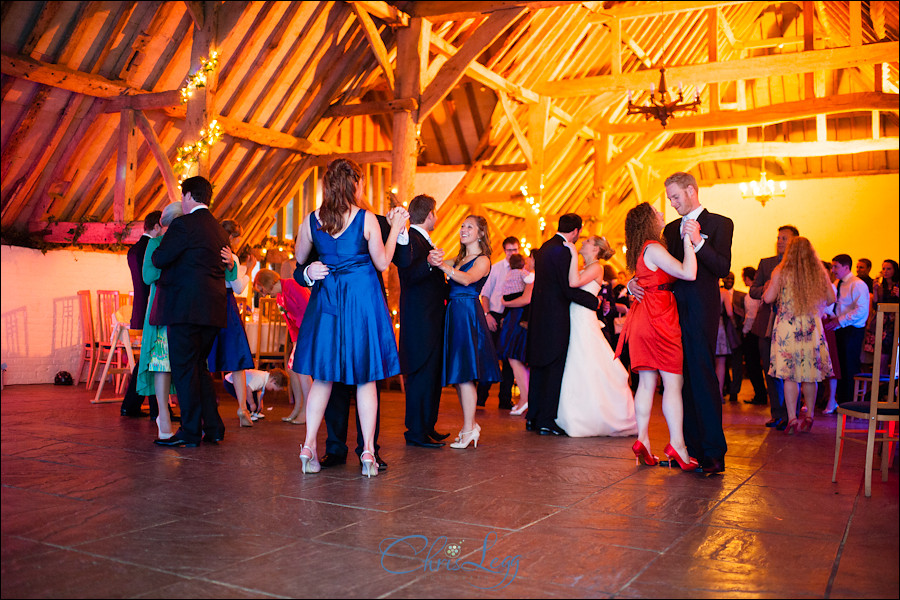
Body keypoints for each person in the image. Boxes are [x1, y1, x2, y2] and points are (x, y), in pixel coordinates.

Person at [292, 158, 407, 477]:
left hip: (328, 298)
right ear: (354, 184)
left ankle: (308, 445)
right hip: (361, 299)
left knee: (324, 378)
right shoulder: (366, 218)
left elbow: (300, 260)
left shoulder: (312, 220)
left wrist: (309, 270)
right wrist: (395, 227)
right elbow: (382, 263)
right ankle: (368, 451)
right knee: (366, 378)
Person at [630, 173, 733, 474]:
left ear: (691, 190)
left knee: (702, 376)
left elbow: (722, 267)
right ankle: (686, 447)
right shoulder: (671, 229)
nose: (673, 203)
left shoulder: (720, 223)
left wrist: (699, 241)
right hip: (667, 313)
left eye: (676, 196)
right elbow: (658, 266)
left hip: (701, 310)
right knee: (677, 380)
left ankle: (714, 451)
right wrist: (634, 280)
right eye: (670, 199)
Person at [150, 176, 230, 447]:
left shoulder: (183, 225)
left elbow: (160, 258)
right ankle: (214, 427)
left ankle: (190, 431)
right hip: (213, 310)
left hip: (185, 310)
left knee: (184, 370)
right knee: (199, 367)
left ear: (187, 197)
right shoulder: (220, 230)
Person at [617, 202, 698, 469]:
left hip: (642, 317)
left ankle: (643, 441)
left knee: (646, 383)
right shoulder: (654, 247)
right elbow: (688, 273)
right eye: (656, 211)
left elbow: (640, 278)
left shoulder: (642, 250)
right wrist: (689, 240)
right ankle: (678, 445)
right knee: (673, 383)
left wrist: (631, 283)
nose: (662, 213)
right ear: (648, 220)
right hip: (659, 316)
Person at [429, 215, 500, 449]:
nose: (463, 229)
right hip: (454, 313)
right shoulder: (459, 258)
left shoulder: (483, 260)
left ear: (480, 233)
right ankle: (469, 427)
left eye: (469, 226)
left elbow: (468, 280)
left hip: (468, 313)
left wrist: (442, 265)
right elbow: (437, 265)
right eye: (462, 225)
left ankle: (470, 428)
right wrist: (433, 258)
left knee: (466, 372)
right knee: (459, 375)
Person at [526, 214, 600, 436]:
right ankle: (547, 420)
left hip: (539, 315)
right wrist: (593, 301)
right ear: (576, 231)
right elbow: (567, 288)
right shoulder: (565, 250)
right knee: (554, 368)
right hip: (556, 318)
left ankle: (533, 417)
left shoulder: (545, 247)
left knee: (539, 367)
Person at [557, 235, 637, 438]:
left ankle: (591, 416)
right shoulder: (588, 267)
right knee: (577, 362)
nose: (583, 242)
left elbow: (573, 282)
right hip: (576, 316)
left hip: (584, 319)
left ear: (596, 249)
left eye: (588, 242)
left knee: (586, 361)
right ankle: (576, 413)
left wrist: (573, 253)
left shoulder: (597, 267)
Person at [763, 237, 835, 434]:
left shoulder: (781, 271)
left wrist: (770, 288)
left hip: (788, 327)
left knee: (789, 376)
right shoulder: (819, 272)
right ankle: (810, 415)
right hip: (811, 327)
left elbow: (769, 297)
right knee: (809, 375)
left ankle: (793, 418)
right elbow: (831, 298)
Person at [397, 195, 449, 448]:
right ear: (429, 214)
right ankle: (416, 432)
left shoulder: (424, 242)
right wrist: (429, 265)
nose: (436, 218)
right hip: (419, 322)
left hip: (430, 320)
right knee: (420, 376)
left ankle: (427, 426)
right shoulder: (410, 241)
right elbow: (407, 276)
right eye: (435, 213)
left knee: (430, 376)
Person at [136, 203, 181, 440]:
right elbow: (148, 276)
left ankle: (186, 415)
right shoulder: (155, 244)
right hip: (163, 307)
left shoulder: (189, 244)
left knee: (184, 362)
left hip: (185, 309)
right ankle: (163, 414)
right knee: (162, 361)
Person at [208, 219, 257, 427]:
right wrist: (249, 268)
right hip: (227, 305)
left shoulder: (210, 253)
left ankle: (209, 403)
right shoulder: (232, 257)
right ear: (232, 237)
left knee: (209, 358)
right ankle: (242, 407)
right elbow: (237, 287)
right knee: (237, 360)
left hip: (209, 305)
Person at [749, 225, 799, 429]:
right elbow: (753, 291)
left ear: (794, 241)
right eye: (778, 237)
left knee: (791, 371)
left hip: (792, 325)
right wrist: (769, 286)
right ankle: (777, 413)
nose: (779, 241)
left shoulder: (799, 265)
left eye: (784, 238)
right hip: (768, 324)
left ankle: (792, 414)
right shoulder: (766, 263)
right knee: (769, 369)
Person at [252, 269, 312, 425]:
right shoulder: (280, 298)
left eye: (262, 289)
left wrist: (302, 340)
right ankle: (298, 407)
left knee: (302, 370)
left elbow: (308, 311)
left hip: (311, 331)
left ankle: (308, 410)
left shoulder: (292, 285)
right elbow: (290, 323)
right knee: (291, 369)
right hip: (300, 336)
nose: (263, 294)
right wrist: (294, 342)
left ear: (267, 283)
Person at [120, 211, 162, 419]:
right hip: (151, 307)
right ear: (156, 227)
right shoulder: (152, 248)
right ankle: (157, 410)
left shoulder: (135, 249)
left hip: (140, 307)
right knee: (154, 358)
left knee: (149, 358)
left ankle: (131, 405)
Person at [476, 236, 521, 410]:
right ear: (504, 251)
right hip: (494, 314)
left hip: (512, 317)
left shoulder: (522, 269)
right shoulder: (495, 268)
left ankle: (505, 398)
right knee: (490, 357)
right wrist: (487, 315)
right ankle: (481, 397)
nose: (512, 253)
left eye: (515, 250)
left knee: (510, 359)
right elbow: (485, 294)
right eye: (509, 250)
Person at [826, 254, 870, 406]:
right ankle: (841, 402)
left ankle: (849, 404)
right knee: (840, 367)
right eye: (832, 266)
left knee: (849, 366)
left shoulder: (857, 284)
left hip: (852, 329)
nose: (833, 270)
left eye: (836, 266)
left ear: (846, 267)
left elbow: (862, 310)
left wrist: (840, 320)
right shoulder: (838, 282)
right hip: (839, 328)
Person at [498, 253, 532, 416]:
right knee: (514, 356)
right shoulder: (525, 275)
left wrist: (505, 303)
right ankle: (524, 398)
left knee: (515, 355)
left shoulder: (512, 274)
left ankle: (525, 399)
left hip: (516, 315)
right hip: (516, 315)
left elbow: (526, 299)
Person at [739, 267, 768, 405]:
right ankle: (761, 393)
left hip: (752, 333)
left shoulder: (750, 296)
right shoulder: (761, 293)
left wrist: (744, 331)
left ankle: (759, 394)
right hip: (761, 331)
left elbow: (750, 317)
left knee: (753, 365)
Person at [223, 367, 289, 413]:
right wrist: (252, 404)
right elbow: (248, 390)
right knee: (247, 400)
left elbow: (258, 391)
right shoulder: (260, 379)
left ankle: (253, 411)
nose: (271, 390)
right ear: (273, 381)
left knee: (254, 400)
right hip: (231, 383)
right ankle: (248, 412)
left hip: (242, 384)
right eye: (273, 389)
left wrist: (260, 404)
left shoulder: (265, 377)